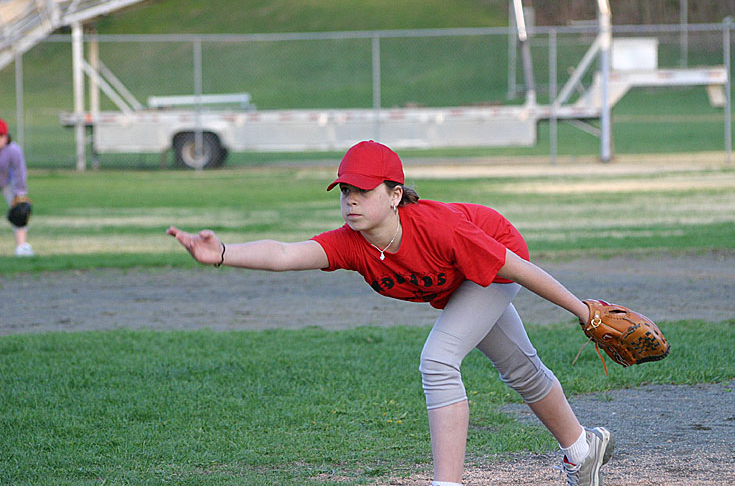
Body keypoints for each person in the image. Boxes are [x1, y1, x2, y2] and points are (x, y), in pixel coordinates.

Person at [168, 140, 614, 486]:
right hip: (460, 280)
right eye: (345, 190)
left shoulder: (441, 228)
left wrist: (582, 311)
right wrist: (222, 252)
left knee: (439, 361)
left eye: (362, 190)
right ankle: (582, 448)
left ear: (395, 193)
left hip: (496, 258)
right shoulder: (352, 242)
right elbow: (286, 252)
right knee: (519, 368)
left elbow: (514, 266)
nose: (351, 201)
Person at [0, 118, 34, 257]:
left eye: (1, 136)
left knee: (20, 210)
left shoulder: (13, 150)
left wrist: (20, 193)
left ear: (7, 136)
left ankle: (21, 247)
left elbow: (20, 172)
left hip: (7, 183)